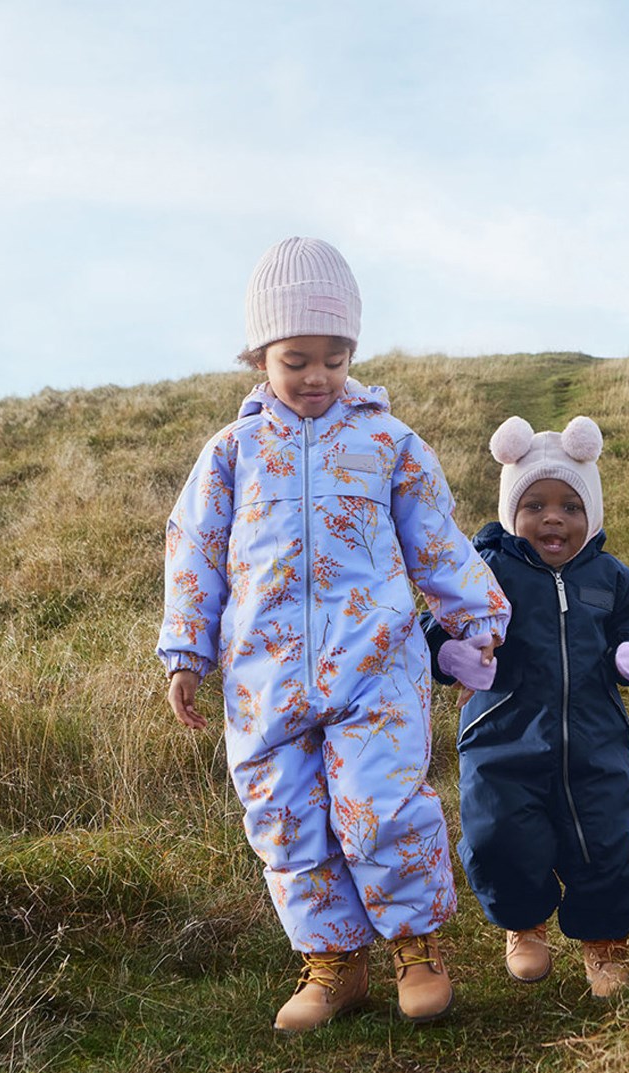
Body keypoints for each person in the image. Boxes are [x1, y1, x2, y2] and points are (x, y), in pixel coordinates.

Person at [157, 236, 509, 1032]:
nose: (316, 376)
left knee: (380, 803)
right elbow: (195, 553)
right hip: (263, 678)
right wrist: (186, 651)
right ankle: (333, 963)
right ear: (259, 358)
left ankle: (415, 947)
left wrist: (477, 615)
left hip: (374, 665)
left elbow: (436, 538)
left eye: (334, 357)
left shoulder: (387, 442)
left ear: (353, 352)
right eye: (296, 359)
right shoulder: (231, 455)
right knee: (284, 817)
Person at [422, 415, 629, 997]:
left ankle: (604, 942)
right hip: (500, 734)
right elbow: (435, 620)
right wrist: (449, 653)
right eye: (535, 504)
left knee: (602, 836)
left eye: (570, 507)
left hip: (594, 735)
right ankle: (525, 925)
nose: (553, 517)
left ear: (591, 516)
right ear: (511, 512)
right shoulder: (486, 572)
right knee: (497, 834)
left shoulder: (610, 575)